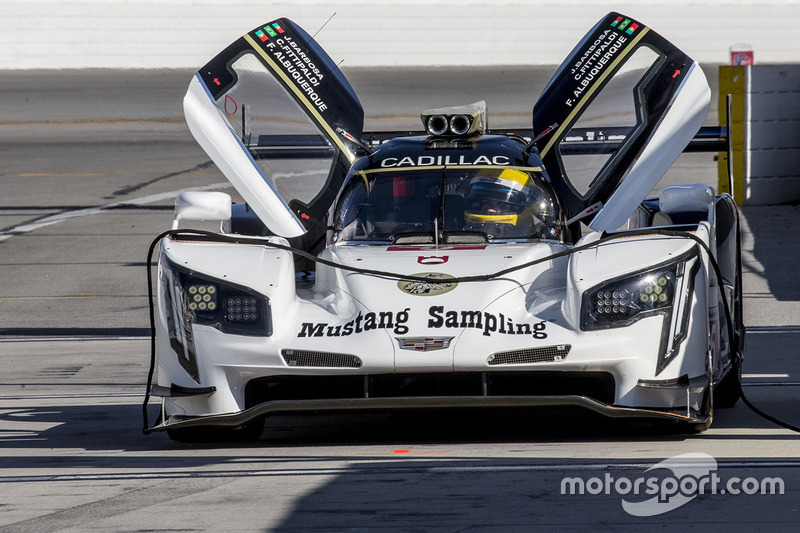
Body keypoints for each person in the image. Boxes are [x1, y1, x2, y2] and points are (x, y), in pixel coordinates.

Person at [463, 168, 556, 238]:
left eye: (502, 204)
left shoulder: (546, 242)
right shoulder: (454, 232)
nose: (489, 209)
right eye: (484, 202)